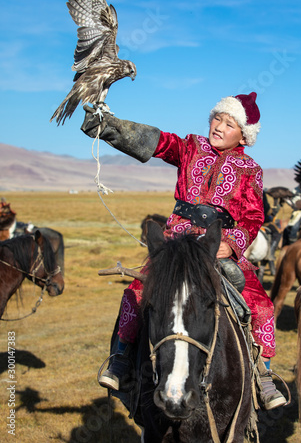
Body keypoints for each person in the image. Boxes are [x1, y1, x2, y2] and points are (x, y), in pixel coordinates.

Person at [81, 91, 287, 411]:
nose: (218, 126)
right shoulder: (191, 147)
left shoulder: (250, 169)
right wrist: (107, 126)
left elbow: (253, 217)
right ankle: (122, 358)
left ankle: (264, 373)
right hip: (177, 243)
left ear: (243, 134)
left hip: (218, 247)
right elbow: (157, 141)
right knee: (137, 292)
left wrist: (231, 244)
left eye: (229, 123)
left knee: (261, 306)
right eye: (217, 118)